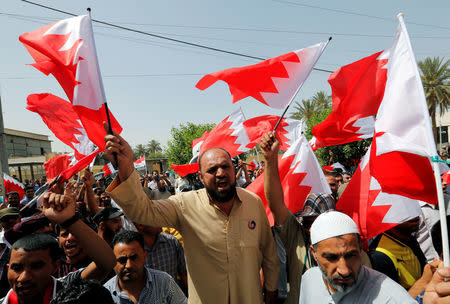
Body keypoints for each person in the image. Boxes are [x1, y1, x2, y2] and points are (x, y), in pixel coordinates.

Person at [104, 125, 279, 304]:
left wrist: (272, 292)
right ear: (201, 178)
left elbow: (269, 253)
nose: (220, 173)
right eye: (212, 170)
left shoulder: (254, 203)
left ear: (234, 170)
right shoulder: (184, 205)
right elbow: (142, 211)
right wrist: (126, 168)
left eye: (225, 166)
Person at [0, 182, 116, 304]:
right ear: (8, 269)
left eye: (36, 266)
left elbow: (106, 263)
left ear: (55, 266)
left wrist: (69, 220)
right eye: (16, 268)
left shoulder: (66, 287)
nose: (24, 277)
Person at [299, 211, 416, 303]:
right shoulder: (309, 280)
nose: (344, 270)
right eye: (332, 258)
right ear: (314, 253)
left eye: (351, 256)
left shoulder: (391, 298)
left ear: (360, 249)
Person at [104, 230, 187, 304]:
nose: (129, 265)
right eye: (122, 260)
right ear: (112, 260)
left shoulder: (164, 282)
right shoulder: (106, 292)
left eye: (134, 258)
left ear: (144, 256)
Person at [369, 217, 427, 289]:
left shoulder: (409, 239)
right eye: (403, 210)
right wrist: (425, 279)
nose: (414, 215)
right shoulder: (380, 256)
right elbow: (394, 298)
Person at [134, 224, 187, 290]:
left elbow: (184, 274)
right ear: (140, 225)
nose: (160, 222)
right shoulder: (133, 249)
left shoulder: (172, 242)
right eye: (154, 219)